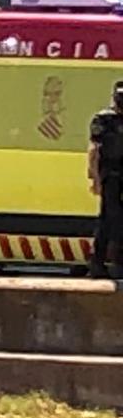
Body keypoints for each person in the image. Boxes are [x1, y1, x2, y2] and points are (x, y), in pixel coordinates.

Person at [87, 80, 123, 277]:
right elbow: (94, 150)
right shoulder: (104, 120)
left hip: (115, 174)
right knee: (111, 219)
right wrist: (95, 178)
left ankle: (109, 263)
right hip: (111, 174)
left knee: (111, 219)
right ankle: (101, 263)